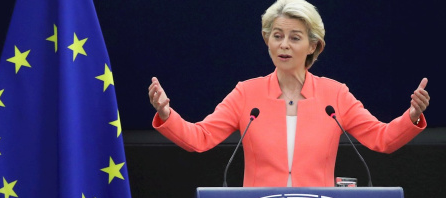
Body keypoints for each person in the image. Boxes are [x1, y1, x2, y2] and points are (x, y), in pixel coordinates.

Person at [147, 0, 430, 187]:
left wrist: (412, 116)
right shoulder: (246, 93)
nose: (284, 45)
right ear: (267, 40)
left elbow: (382, 139)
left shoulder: (336, 94)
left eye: (295, 37)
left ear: (313, 47)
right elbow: (200, 138)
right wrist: (166, 113)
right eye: (277, 35)